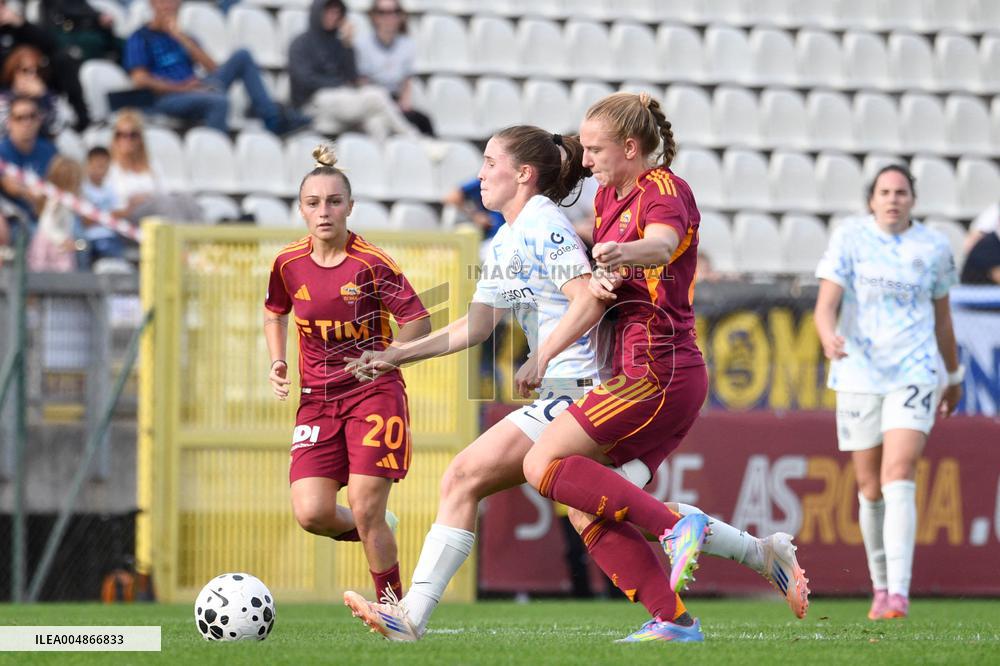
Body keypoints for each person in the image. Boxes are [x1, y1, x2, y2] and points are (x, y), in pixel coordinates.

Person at [341, 124, 808, 643]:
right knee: (590, 510)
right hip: (563, 390)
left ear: (524, 174)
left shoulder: (545, 225)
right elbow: (476, 325)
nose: (480, 174)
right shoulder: (506, 239)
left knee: (464, 476)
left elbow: (589, 298)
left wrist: (542, 356)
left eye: (490, 162)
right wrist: (398, 354)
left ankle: (411, 617)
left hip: (584, 387)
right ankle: (737, 569)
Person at [510, 92, 791, 643]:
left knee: (540, 461)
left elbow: (662, 245)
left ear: (630, 147)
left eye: (595, 150)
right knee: (586, 508)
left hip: (658, 371)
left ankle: (675, 526)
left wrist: (622, 254)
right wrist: (597, 287)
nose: (586, 160)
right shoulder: (607, 198)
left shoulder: (664, 188)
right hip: (646, 374)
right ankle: (676, 619)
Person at [263, 144, 431, 603]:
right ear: (301, 209)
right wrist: (277, 359)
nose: (324, 211)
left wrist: (389, 356)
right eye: (313, 202)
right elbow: (275, 311)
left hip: (373, 393)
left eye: (334, 202)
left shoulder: (372, 263)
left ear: (350, 207)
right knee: (313, 513)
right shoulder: (287, 263)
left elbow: (419, 321)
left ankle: (394, 611)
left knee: (364, 503)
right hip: (316, 401)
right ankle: (374, 526)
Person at [814, 164, 962, 620]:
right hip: (859, 373)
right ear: (872, 200)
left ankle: (898, 593)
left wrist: (953, 375)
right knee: (869, 486)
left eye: (901, 192)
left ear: (912, 200)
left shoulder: (934, 247)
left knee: (899, 472)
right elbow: (825, 306)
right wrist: (827, 337)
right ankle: (880, 588)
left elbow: (942, 320)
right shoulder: (850, 238)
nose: (893, 199)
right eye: (885, 192)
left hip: (914, 371)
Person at [123, 0, 308, 135]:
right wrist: (182, 88)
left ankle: (272, 119)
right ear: (153, 4)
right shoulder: (140, 37)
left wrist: (181, 38)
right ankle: (214, 151)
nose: (169, 6)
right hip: (165, 98)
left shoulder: (184, 36)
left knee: (242, 56)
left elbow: (213, 69)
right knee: (219, 101)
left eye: (173, 1)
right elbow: (140, 80)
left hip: (193, 89)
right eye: (163, 1)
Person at [288, 0, 418, 140]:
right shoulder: (300, 44)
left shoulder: (338, 44)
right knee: (376, 96)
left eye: (337, 13)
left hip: (341, 100)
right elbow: (304, 80)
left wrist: (348, 46)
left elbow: (352, 78)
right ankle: (414, 138)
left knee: (376, 122)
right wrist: (338, 83)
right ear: (317, 12)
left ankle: (386, 152)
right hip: (313, 102)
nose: (332, 16)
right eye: (328, 12)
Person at [353, 0, 433, 136]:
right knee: (378, 124)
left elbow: (406, 80)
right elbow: (363, 82)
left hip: (396, 101)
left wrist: (404, 103)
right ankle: (412, 136)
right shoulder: (362, 45)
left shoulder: (407, 44)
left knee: (424, 121)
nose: (389, 17)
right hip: (374, 102)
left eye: (394, 12)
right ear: (374, 16)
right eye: (382, 12)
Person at [106, 109, 201, 223]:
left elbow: (164, 192)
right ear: (115, 138)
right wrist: (132, 202)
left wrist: (146, 197)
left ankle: (202, 232)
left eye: (133, 135)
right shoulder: (110, 168)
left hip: (153, 207)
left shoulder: (152, 164)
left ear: (140, 138)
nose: (127, 139)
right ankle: (179, 232)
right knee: (163, 203)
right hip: (129, 214)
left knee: (185, 198)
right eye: (121, 135)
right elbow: (110, 204)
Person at [0, 95, 58, 224]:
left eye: (32, 116)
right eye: (19, 118)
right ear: (9, 122)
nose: (27, 122)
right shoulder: (2, 151)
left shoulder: (50, 150)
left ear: (39, 119)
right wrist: (33, 194)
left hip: (48, 216)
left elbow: (59, 183)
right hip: (16, 221)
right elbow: (10, 186)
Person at [27, 154, 82, 272]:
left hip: (62, 242)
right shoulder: (55, 200)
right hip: (50, 243)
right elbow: (46, 224)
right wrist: (61, 239)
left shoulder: (68, 199)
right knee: (43, 273)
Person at [0, 44, 65, 137]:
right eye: (25, 70)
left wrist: (43, 97)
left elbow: (57, 127)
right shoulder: (3, 99)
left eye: (38, 71)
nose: (32, 76)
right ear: (13, 71)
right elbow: (4, 131)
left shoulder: (48, 97)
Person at [80, 146, 126, 267]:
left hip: (110, 237)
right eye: (97, 166)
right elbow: (85, 221)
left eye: (104, 166)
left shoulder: (111, 189)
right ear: (88, 165)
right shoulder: (82, 189)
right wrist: (106, 216)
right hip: (87, 239)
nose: (100, 170)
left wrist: (97, 216)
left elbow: (120, 214)